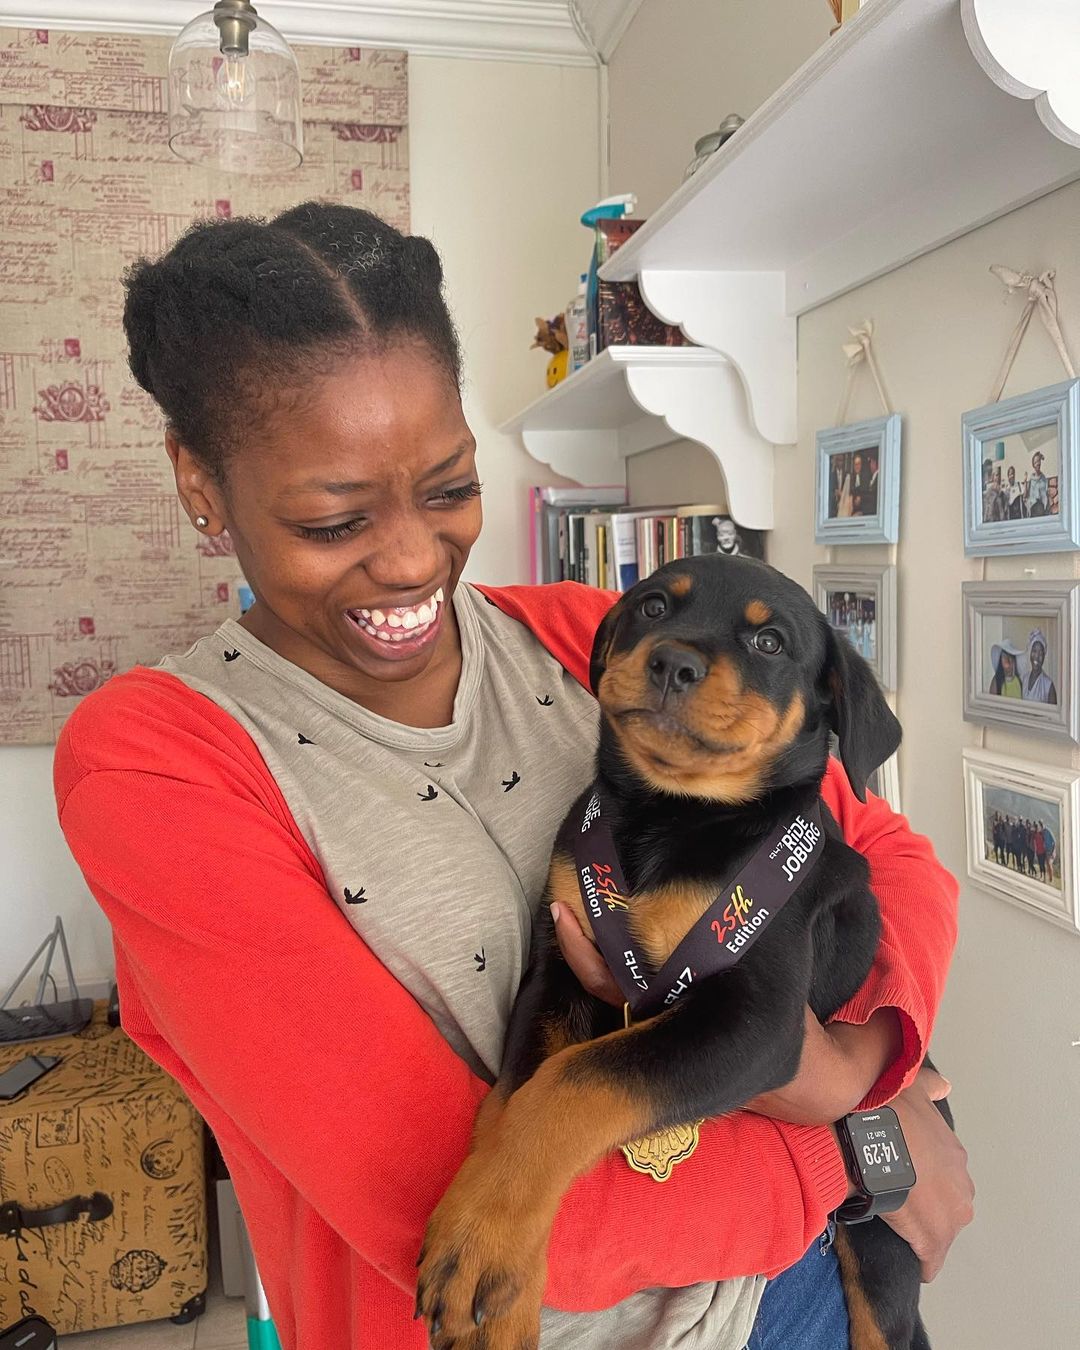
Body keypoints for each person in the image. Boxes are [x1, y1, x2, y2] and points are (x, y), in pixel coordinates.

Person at [52, 205, 970, 1350]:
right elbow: (458, 1214)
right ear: (200, 482)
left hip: (788, 1304)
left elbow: (886, 853)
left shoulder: (591, 637)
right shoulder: (158, 760)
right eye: (333, 517)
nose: (409, 557)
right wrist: (854, 1154)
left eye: (447, 488)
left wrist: (875, 1068)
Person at [1022, 628, 1057, 704]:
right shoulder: (1023, 679)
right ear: (1030, 653)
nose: (1037, 656)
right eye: (1034, 651)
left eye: (1040, 653)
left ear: (1044, 656)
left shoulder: (1049, 685)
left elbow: (1052, 715)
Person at [1027, 450, 1050, 516]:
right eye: (1035, 462)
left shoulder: (1044, 479)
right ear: (1033, 465)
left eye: (1039, 461)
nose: (1038, 464)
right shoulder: (1031, 480)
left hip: (1042, 508)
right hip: (1033, 508)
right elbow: (1027, 496)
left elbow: (1046, 494)